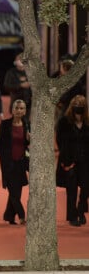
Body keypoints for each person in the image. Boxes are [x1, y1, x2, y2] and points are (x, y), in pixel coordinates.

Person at [0, 99, 30, 225]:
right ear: (12, 110)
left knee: (16, 191)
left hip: (21, 162)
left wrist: (29, 140)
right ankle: (22, 216)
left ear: (25, 111)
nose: (19, 110)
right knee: (13, 192)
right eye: (16, 108)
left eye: (21, 108)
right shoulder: (5, 124)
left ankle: (8, 216)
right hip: (8, 163)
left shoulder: (27, 124)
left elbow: (26, 144)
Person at [56, 95, 89, 227]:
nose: (78, 106)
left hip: (86, 161)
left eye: (81, 104)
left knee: (86, 188)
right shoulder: (65, 121)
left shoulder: (87, 121)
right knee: (71, 190)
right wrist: (65, 157)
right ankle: (72, 216)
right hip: (69, 161)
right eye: (76, 104)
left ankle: (81, 210)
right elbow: (59, 139)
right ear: (72, 105)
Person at [4, 53, 32, 120]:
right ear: (15, 61)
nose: (20, 61)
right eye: (18, 59)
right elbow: (6, 86)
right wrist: (20, 85)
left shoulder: (30, 73)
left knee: (26, 124)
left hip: (28, 104)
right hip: (16, 103)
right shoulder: (11, 73)